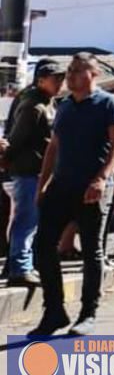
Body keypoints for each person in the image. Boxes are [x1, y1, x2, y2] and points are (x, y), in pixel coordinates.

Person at [28, 53, 114, 338]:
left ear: (94, 74)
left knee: (92, 251)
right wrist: (42, 184)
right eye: (68, 70)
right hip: (62, 186)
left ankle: (88, 313)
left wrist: (101, 179)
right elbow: (53, 147)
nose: (69, 76)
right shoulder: (65, 106)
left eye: (76, 70)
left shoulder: (108, 103)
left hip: (93, 188)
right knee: (43, 245)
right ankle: (54, 310)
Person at [2, 58, 62, 287]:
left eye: (61, 78)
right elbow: (16, 139)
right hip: (28, 170)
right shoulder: (33, 106)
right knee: (27, 220)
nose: (59, 82)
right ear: (41, 80)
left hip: (39, 170)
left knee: (30, 221)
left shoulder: (48, 102)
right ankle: (20, 268)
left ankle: (16, 264)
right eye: (55, 78)